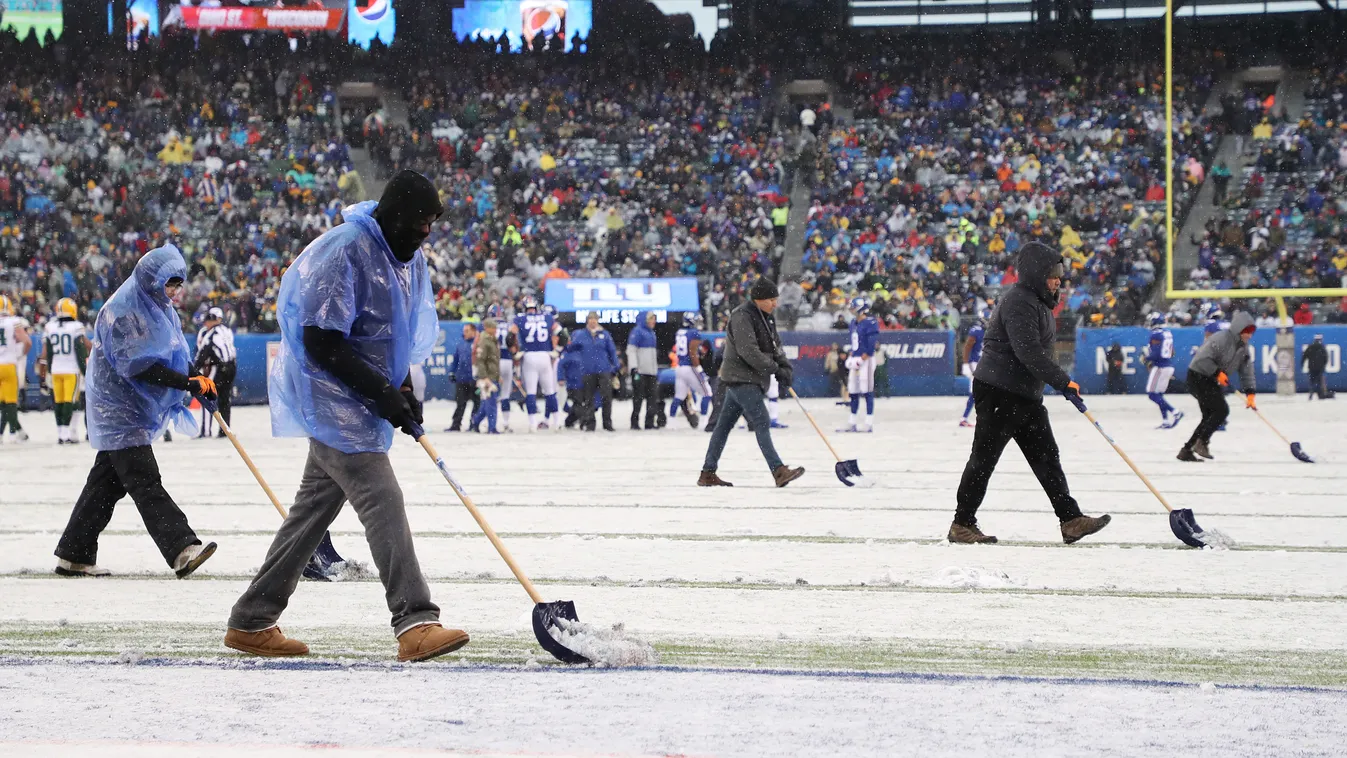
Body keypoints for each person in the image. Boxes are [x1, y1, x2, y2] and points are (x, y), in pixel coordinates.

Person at [226, 171, 468, 662]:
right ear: (393, 215)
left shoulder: (406, 259)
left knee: (311, 513)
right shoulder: (345, 253)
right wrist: (381, 392)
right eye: (419, 222)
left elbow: (395, 334)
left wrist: (400, 386)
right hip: (333, 400)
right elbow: (321, 341)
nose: (426, 233)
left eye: (432, 222)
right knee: (383, 498)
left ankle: (251, 619)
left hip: (363, 399)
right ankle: (415, 620)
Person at [53, 244, 218, 578]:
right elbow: (140, 367)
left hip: (133, 408)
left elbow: (172, 353)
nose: (174, 292)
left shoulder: (160, 308)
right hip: (118, 410)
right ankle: (182, 549)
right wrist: (187, 383)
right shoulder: (122, 310)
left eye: (178, 285)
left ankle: (74, 553)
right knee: (144, 479)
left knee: (105, 485)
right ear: (151, 280)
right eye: (170, 284)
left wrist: (196, 378)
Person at [949, 242, 1111, 545]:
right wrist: (1062, 381)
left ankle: (1070, 520)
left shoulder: (1039, 303)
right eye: (1052, 275)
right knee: (984, 460)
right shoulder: (1019, 302)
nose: (1058, 281)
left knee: (1047, 457)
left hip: (1024, 394)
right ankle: (962, 523)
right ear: (1036, 274)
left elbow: (1038, 354)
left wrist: (1060, 382)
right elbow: (1028, 352)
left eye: (1060, 275)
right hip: (999, 392)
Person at [698, 277, 804, 488]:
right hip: (741, 378)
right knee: (761, 420)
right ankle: (778, 470)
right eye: (771, 300)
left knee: (722, 427)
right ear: (758, 299)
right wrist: (774, 369)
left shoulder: (767, 318)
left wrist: (785, 368)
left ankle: (707, 473)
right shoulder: (741, 316)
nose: (775, 304)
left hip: (748, 379)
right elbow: (749, 351)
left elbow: (776, 346)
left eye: (776, 299)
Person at [1178, 311, 1257, 462]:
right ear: (1238, 329)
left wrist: (1250, 393)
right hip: (1198, 376)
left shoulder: (1244, 348)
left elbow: (1246, 371)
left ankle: (1187, 450)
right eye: (1246, 331)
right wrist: (1217, 372)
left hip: (1211, 379)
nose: (1249, 335)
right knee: (1221, 410)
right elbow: (1202, 358)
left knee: (1209, 416)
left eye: (1251, 332)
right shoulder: (1221, 339)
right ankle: (1202, 442)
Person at [37, 298, 91, 444]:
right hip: (71, 369)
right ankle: (66, 433)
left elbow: (47, 352)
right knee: (70, 401)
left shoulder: (50, 326)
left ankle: (61, 432)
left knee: (59, 401)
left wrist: (47, 370)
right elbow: (80, 350)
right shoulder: (76, 326)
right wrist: (85, 370)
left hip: (56, 369)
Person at [511, 295, 560, 431]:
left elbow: (510, 337)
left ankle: (532, 423)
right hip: (545, 355)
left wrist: (515, 353)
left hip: (529, 356)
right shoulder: (547, 317)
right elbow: (562, 334)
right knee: (550, 391)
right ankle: (556, 422)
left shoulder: (520, 319)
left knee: (531, 392)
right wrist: (557, 351)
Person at [566, 312, 619, 432]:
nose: (593, 321)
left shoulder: (605, 334)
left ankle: (607, 423)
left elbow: (612, 350)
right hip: (588, 370)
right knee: (588, 398)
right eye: (591, 319)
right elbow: (570, 348)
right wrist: (567, 341)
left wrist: (616, 366)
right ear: (587, 320)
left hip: (604, 369)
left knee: (606, 398)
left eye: (595, 319)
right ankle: (590, 423)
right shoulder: (581, 335)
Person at [194, 306, 237, 438]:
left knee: (208, 396)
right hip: (231, 366)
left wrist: (194, 370)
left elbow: (203, 353)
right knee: (225, 399)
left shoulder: (210, 334)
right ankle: (225, 430)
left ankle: (207, 430)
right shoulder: (226, 331)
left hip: (218, 368)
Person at [840, 297, 879, 433]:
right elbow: (855, 342)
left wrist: (863, 357)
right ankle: (852, 421)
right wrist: (852, 354)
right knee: (853, 391)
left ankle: (869, 422)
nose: (851, 309)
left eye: (853, 307)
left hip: (866, 360)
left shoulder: (870, 322)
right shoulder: (853, 322)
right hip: (856, 358)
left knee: (867, 390)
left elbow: (872, 344)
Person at [0, 294, 32, 443]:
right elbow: (27, 342)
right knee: (11, 402)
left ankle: (6, 432)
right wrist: (20, 354)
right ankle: (13, 433)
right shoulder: (13, 321)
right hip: (8, 364)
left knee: (3, 403)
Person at [1143, 313, 1182, 428]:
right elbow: (1172, 352)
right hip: (1168, 365)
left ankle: (1175, 412)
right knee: (1159, 394)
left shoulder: (1155, 334)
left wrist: (1146, 358)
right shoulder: (1167, 332)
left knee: (1152, 394)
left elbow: (1156, 353)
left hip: (1160, 367)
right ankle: (1165, 420)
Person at [670, 313, 708, 428]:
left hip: (679, 367)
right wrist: (699, 369)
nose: (698, 323)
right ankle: (703, 421)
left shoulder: (680, 332)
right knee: (707, 393)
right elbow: (692, 353)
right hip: (690, 367)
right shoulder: (693, 333)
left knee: (679, 396)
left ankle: (671, 422)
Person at [486, 303, 517, 432]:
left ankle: (489, 422)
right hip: (507, 361)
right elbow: (514, 346)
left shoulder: (489, 326)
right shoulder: (510, 325)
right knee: (505, 394)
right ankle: (506, 422)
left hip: (494, 361)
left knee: (489, 393)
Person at [627, 310, 659, 430]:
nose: (653, 322)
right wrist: (634, 367)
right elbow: (631, 350)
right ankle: (634, 422)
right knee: (638, 397)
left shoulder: (651, 333)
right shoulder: (637, 332)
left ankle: (649, 422)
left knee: (652, 397)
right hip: (640, 371)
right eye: (651, 319)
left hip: (651, 371)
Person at [469, 318, 502, 434]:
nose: (495, 329)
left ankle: (475, 422)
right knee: (491, 403)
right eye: (493, 327)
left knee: (486, 403)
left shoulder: (492, 339)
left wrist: (498, 375)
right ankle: (492, 428)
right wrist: (484, 377)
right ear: (487, 328)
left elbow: (494, 360)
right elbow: (480, 361)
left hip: (493, 375)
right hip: (488, 376)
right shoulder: (484, 341)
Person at [445, 322, 480, 431]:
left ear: (473, 331)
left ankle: (474, 424)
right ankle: (456, 424)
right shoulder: (461, 344)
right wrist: (452, 372)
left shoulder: (478, 344)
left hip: (475, 379)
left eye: (467, 331)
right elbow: (455, 360)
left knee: (477, 403)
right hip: (462, 378)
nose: (464, 333)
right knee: (460, 402)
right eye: (464, 331)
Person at [959, 316, 986, 428]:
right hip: (975, 363)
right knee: (976, 391)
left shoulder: (994, 331)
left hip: (985, 363)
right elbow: (967, 346)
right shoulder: (977, 330)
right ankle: (964, 418)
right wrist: (965, 364)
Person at [1303, 334, 1333, 400]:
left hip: (1311, 367)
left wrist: (1302, 364)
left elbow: (1305, 356)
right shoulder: (1322, 347)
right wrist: (1323, 365)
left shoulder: (1310, 347)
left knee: (1312, 382)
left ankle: (1311, 394)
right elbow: (1326, 358)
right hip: (1319, 368)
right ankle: (1320, 394)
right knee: (1319, 382)